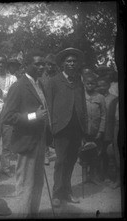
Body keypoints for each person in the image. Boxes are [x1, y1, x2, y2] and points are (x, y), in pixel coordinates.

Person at [2, 50, 49, 218]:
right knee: (25, 184)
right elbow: (8, 116)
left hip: (40, 139)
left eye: (43, 64)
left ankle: (33, 214)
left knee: (38, 182)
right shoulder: (18, 86)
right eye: (37, 64)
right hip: (26, 141)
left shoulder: (40, 84)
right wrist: (33, 116)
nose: (41, 67)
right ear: (27, 66)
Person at [46, 48, 87, 207]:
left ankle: (67, 191)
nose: (71, 63)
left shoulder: (79, 82)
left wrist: (85, 130)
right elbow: (49, 106)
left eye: (74, 61)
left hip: (76, 128)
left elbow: (83, 105)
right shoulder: (54, 81)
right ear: (63, 64)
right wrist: (51, 129)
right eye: (68, 61)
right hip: (61, 127)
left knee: (71, 161)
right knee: (61, 161)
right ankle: (57, 193)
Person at [82, 73, 106, 184]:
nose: (90, 85)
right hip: (84, 131)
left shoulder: (100, 97)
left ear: (95, 84)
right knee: (83, 153)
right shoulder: (81, 96)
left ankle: (92, 175)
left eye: (92, 83)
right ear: (84, 84)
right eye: (88, 83)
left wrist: (101, 131)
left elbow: (103, 115)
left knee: (95, 153)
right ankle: (84, 176)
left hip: (96, 131)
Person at [96, 77, 117, 181]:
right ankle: (100, 174)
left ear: (108, 86)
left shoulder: (113, 99)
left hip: (109, 130)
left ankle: (111, 176)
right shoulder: (97, 97)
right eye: (99, 86)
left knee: (110, 153)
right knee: (100, 153)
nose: (101, 88)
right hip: (99, 130)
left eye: (103, 85)